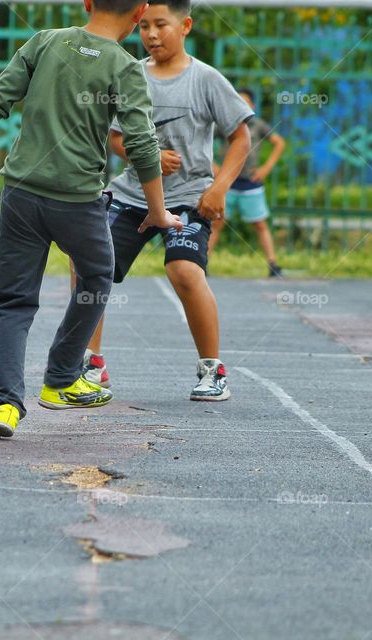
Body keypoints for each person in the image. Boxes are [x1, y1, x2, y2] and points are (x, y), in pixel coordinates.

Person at [0, 0, 182, 439]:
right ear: (140, 14)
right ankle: (60, 378)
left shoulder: (45, 42)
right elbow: (141, 142)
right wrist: (157, 210)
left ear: (87, 2)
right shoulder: (126, 66)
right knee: (97, 278)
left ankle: (4, 405)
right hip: (77, 201)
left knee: (13, 301)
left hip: (20, 194)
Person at [79, 0, 253, 401]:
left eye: (162, 25)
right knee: (88, 262)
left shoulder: (206, 79)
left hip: (190, 197)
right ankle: (90, 363)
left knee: (184, 271)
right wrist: (148, 156)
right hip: (131, 194)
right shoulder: (130, 74)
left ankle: (213, 369)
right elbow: (116, 137)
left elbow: (241, 136)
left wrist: (219, 187)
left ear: (186, 25)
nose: (152, 35)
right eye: (144, 26)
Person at [209, 88, 286, 277]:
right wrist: (213, 166)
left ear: (252, 105)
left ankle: (272, 264)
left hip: (250, 182)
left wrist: (266, 168)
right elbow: (202, 141)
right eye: (238, 101)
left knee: (259, 223)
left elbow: (279, 142)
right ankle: (202, 262)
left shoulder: (258, 125)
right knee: (217, 222)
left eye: (246, 102)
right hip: (227, 181)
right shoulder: (225, 124)